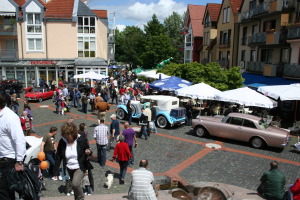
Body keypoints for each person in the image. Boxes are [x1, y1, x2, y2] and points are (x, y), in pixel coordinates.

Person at [54, 122, 92, 200]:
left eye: (68, 135)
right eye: (65, 134)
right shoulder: (62, 141)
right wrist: (56, 170)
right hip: (69, 167)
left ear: (73, 133)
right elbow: (58, 156)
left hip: (79, 166)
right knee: (75, 188)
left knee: (75, 184)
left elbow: (88, 149)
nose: (66, 137)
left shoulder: (81, 139)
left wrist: (88, 152)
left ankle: (81, 198)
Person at [0, 93, 26, 199]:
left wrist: (19, 161)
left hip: (8, 160)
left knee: (5, 192)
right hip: (2, 157)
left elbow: (19, 140)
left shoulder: (10, 117)